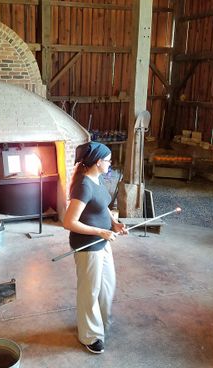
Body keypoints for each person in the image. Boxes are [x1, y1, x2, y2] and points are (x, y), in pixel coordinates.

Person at [63, 141, 127, 354]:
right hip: (88, 245)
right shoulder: (83, 185)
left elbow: (103, 205)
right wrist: (100, 232)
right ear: (98, 162)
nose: (110, 163)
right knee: (90, 291)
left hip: (102, 242)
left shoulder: (97, 179)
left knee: (107, 286)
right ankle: (90, 335)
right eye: (108, 160)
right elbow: (69, 222)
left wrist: (114, 223)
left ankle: (100, 322)